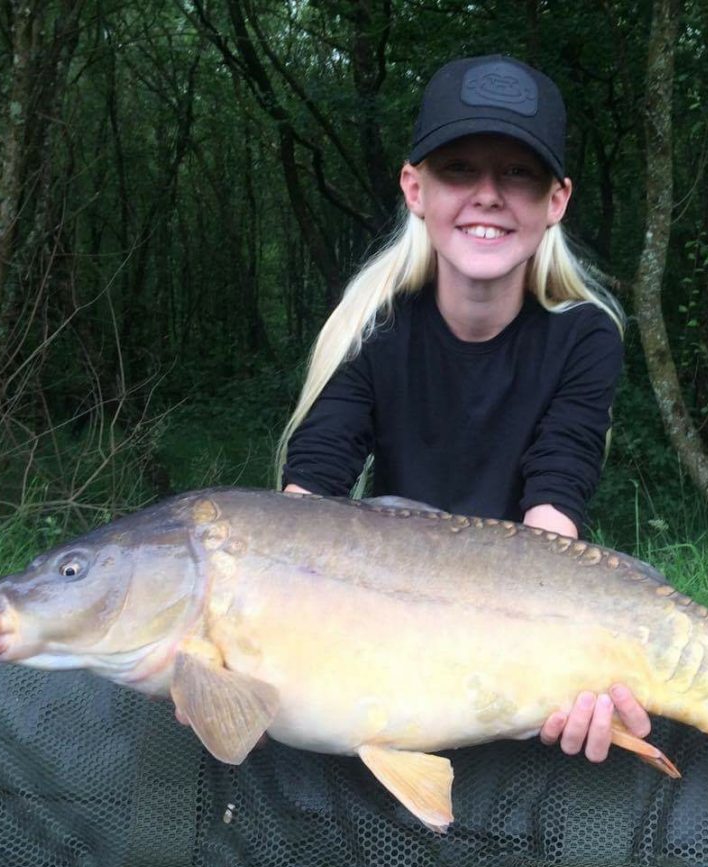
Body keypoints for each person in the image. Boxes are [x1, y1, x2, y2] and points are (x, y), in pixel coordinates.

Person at [276, 55, 651, 764]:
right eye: (459, 171)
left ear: (556, 200)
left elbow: (554, 507)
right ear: (415, 188)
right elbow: (303, 505)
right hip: (378, 610)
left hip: (523, 619)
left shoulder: (585, 335)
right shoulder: (370, 324)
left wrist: (571, 665)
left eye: (518, 173)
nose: (488, 195)